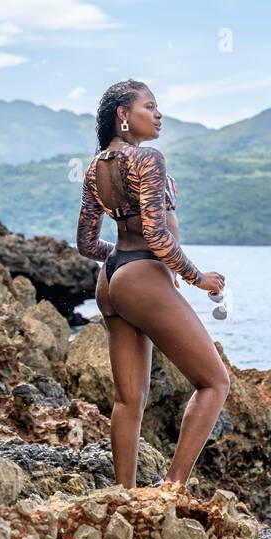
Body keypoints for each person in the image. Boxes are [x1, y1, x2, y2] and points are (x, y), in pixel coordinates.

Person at [76, 79, 229, 490]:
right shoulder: (147, 158)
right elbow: (158, 236)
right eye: (150, 106)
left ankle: (124, 494)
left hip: (111, 280)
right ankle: (172, 488)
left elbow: (87, 244)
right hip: (142, 274)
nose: (159, 114)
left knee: (128, 400)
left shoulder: (95, 167)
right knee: (215, 382)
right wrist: (198, 278)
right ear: (124, 115)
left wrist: (123, 262)